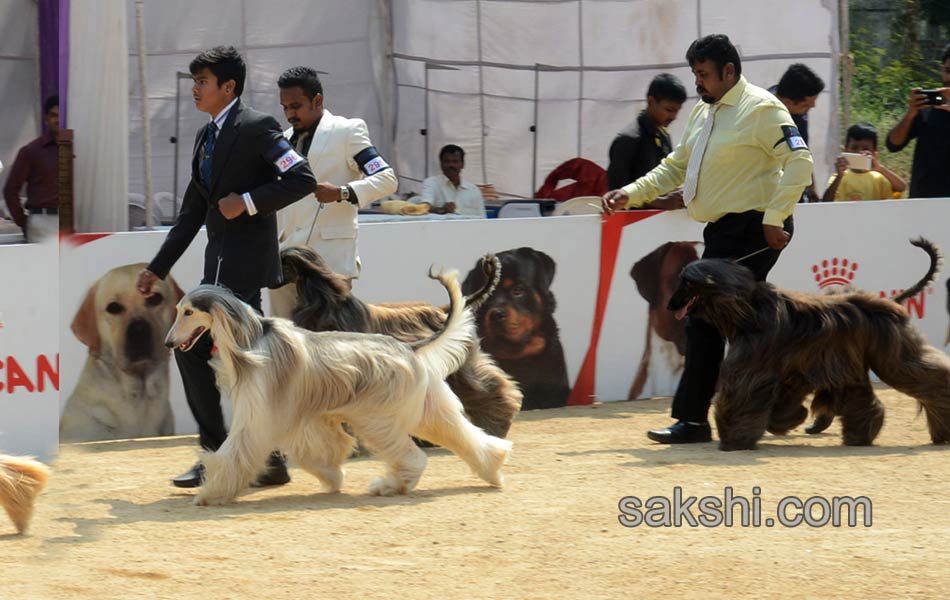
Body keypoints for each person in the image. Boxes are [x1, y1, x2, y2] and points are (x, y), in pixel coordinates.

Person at [602, 34, 813, 444]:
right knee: (745, 324)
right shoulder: (704, 111)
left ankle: (697, 420)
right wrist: (631, 193)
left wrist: (775, 218)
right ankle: (784, 400)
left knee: (705, 322)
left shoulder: (764, 109)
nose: (698, 83)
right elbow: (674, 166)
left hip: (755, 230)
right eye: (696, 74)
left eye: (703, 75)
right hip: (722, 232)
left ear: (728, 71)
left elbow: (800, 161)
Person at [134, 46, 316, 488]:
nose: (195, 89)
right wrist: (157, 269)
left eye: (203, 82)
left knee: (219, 357)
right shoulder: (205, 138)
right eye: (194, 82)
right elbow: (191, 214)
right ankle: (257, 458)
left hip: (246, 271)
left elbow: (302, 178)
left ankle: (228, 455)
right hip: (215, 273)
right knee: (225, 359)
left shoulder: (259, 127)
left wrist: (249, 203)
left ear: (228, 87)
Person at [268, 66, 397, 316]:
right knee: (282, 346)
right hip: (283, 265)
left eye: (295, 106)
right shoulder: (281, 140)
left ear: (317, 100)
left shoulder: (347, 131)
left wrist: (343, 192)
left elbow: (387, 179)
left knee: (332, 347)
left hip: (329, 266)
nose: (289, 114)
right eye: (284, 107)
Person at [885, 42, 950, 199]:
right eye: (948, 70)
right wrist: (910, 113)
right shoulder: (927, 108)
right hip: (924, 202)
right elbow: (893, 144)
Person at [607, 73, 687, 190]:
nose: (674, 116)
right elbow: (617, 195)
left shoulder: (663, 137)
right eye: (669, 110)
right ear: (650, 101)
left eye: (677, 111)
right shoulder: (628, 140)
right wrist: (662, 202)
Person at [3, 95, 60, 243]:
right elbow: (10, 190)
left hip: (75, 221)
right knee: (46, 266)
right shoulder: (32, 151)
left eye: (62, 115)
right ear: (46, 118)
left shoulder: (77, 148)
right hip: (43, 222)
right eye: (54, 115)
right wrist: (24, 222)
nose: (58, 120)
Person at [770, 64, 825, 202]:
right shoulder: (765, 114)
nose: (812, 107)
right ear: (788, 103)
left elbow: (802, 149)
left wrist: (811, 187)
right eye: (806, 105)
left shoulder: (799, 111)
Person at [822, 122, 906, 202]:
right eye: (854, 148)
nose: (859, 152)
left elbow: (902, 187)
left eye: (865, 149)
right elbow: (826, 202)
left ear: (875, 151)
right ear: (846, 149)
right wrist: (839, 176)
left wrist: (880, 169)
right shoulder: (840, 177)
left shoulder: (879, 177)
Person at [412, 144, 486, 217]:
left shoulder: (473, 190)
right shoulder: (431, 183)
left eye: (455, 161)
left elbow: (483, 219)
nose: (451, 165)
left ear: (462, 164)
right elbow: (424, 208)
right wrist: (441, 209)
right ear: (441, 164)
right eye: (447, 161)